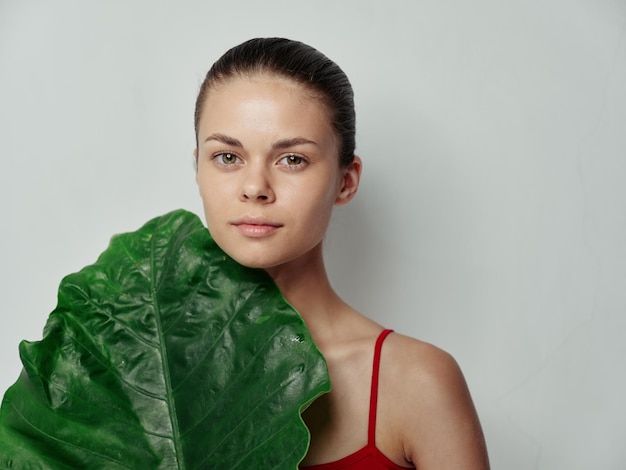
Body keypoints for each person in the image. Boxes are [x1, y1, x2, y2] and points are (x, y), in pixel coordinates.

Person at [193, 37, 490, 469]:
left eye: (292, 159)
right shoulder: (144, 363)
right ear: (197, 170)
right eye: (226, 156)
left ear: (345, 182)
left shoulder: (417, 382)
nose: (254, 187)